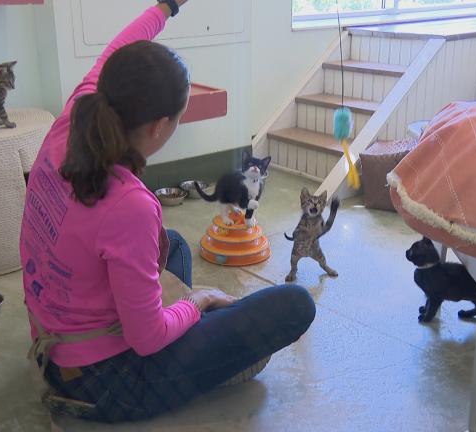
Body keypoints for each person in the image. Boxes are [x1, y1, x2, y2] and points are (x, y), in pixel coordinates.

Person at [20, 0, 315, 423]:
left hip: (52, 341)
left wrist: (168, 6)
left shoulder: (73, 117)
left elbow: (119, 47)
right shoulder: (130, 204)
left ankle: (197, 336)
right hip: (104, 381)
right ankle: (197, 345)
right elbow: (147, 336)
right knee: (294, 304)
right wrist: (198, 301)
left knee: (172, 245)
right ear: (160, 126)